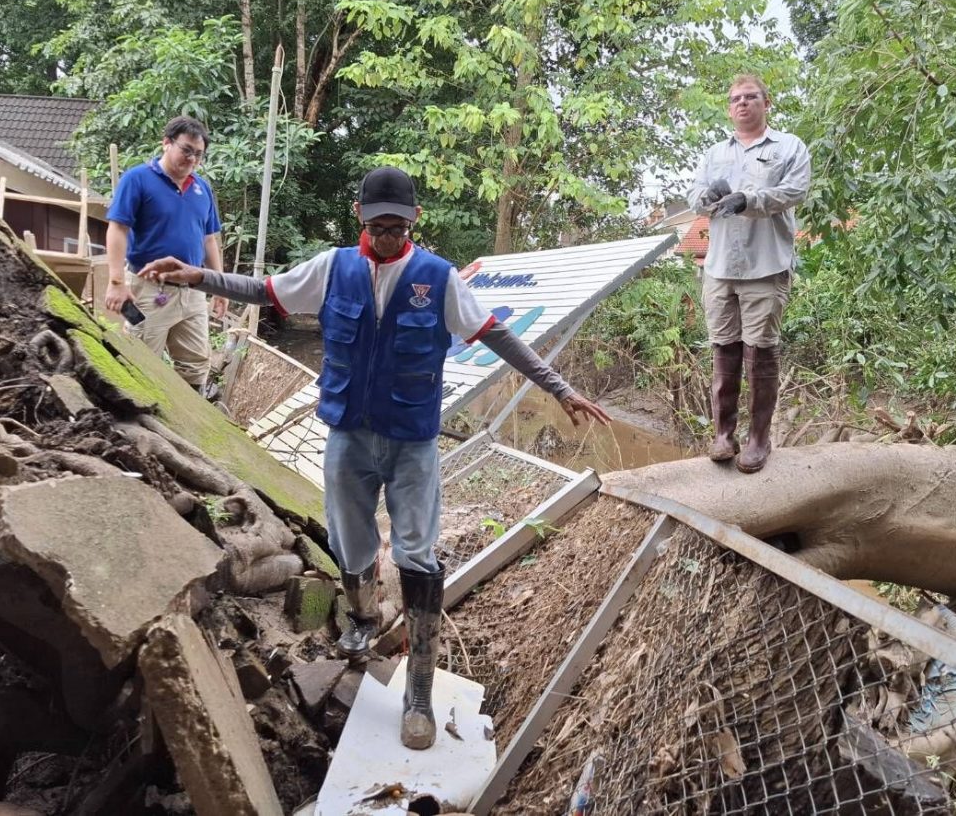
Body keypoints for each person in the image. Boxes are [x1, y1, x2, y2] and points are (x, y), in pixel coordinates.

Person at [140, 165, 610, 750]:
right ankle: (363, 619)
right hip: (349, 436)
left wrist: (559, 388)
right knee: (349, 542)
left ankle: (417, 689)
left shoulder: (437, 278)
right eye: (379, 225)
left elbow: (496, 335)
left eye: (399, 226)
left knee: (417, 554)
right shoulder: (332, 268)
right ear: (360, 217)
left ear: (413, 222)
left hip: (412, 440)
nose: (388, 236)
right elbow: (263, 290)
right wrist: (194, 276)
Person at [687, 74, 811, 473]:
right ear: (729, 107)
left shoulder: (789, 147)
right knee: (724, 347)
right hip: (720, 265)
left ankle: (759, 439)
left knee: (760, 352)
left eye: (751, 97)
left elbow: (794, 191)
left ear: (766, 102)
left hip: (766, 265)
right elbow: (694, 197)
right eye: (735, 98)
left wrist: (748, 199)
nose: (743, 103)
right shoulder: (713, 153)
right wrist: (707, 198)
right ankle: (724, 434)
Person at [104, 116, 228, 394]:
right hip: (147, 290)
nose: (192, 159)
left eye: (198, 154)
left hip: (193, 292)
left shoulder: (202, 188)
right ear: (167, 143)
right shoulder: (138, 179)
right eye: (186, 150)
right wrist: (115, 282)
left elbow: (209, 239)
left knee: (197, 363)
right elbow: (118, 229)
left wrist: (219, 287)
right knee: (140, 359)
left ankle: (187, 423)